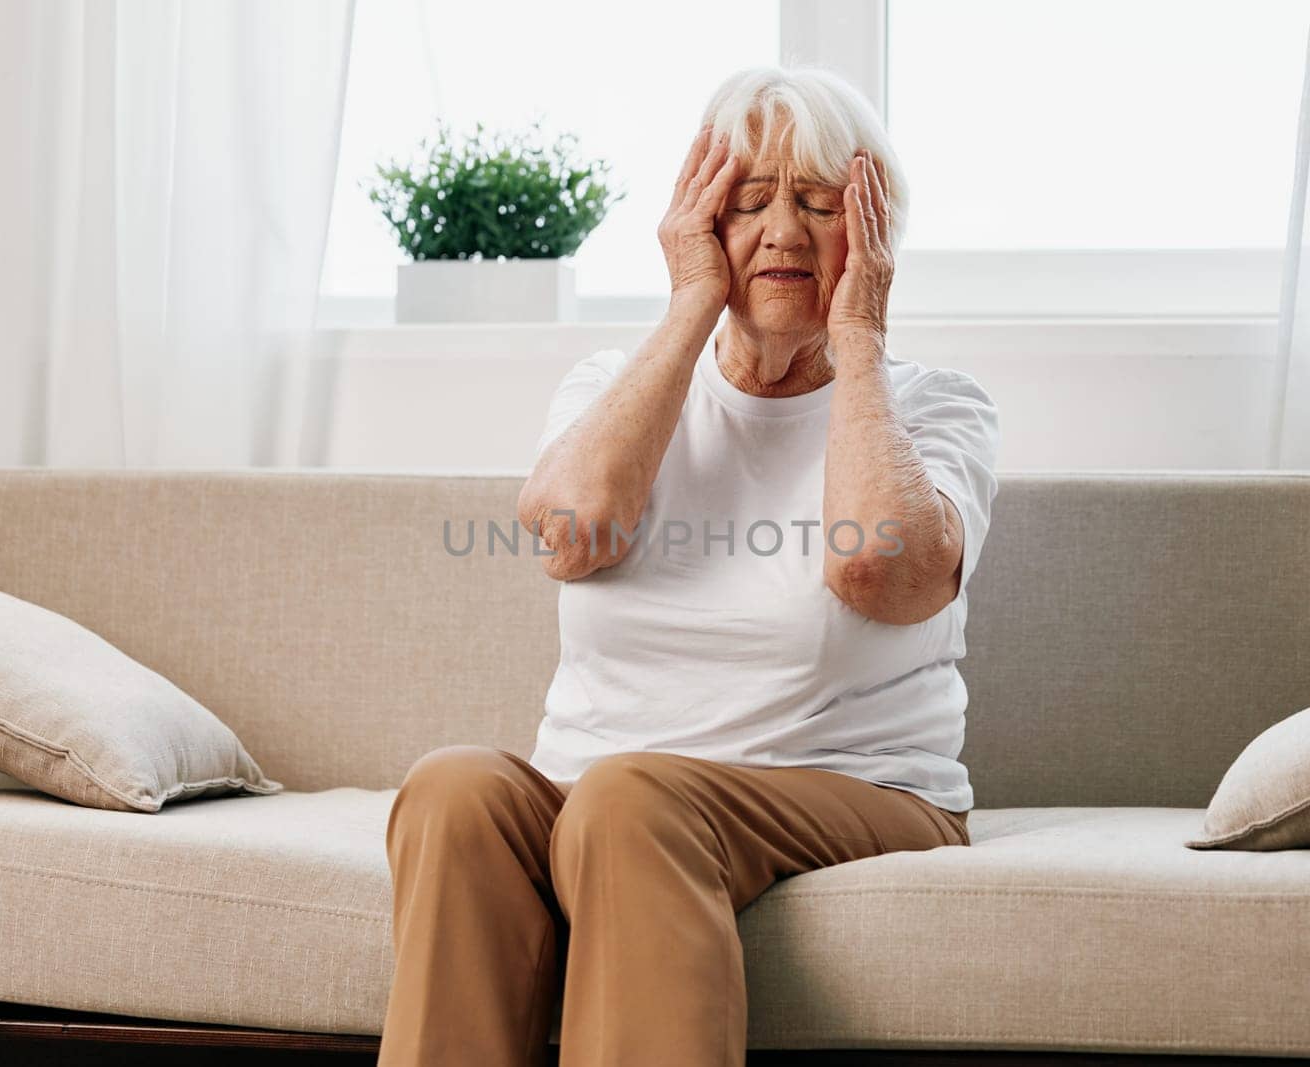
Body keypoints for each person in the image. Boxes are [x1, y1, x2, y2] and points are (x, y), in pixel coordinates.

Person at [378, 64, 1002, 1067]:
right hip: (605, 788)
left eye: (818, 203)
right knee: (454, 788)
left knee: (628, 798)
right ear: (699, 223)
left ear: (873, 229)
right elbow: (570, 534)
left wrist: (859, 337)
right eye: (749, 203)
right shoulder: (612, 387)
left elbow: (880, 573)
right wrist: (687, 312)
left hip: (852, 786)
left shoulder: (931, 406)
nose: (785, 234)